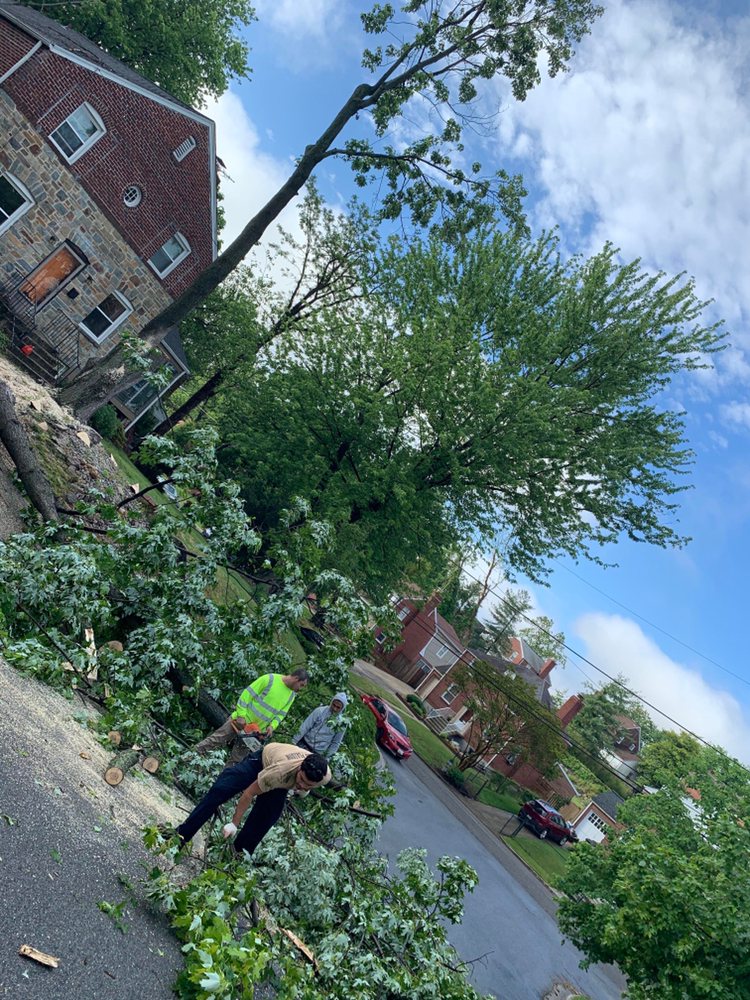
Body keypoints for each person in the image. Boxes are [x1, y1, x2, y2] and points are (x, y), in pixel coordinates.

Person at [175, 743, 330, 856]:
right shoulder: (279, 773)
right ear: (300, 768)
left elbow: (306, 782)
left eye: (308, 785)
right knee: (221, 789)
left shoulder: (325, 776)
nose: (301, 785)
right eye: (301, 779)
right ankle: (180, 837)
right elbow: (248, 794)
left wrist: (302, 787)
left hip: (281, 783)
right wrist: (234, 823)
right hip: (263, 761)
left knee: (264, 821)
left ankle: (234, 859)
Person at [193, 668, 309, 764]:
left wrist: (272, 726)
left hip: (255, 732)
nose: (300, 689)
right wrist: (241, 715)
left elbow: (281, 714)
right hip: (240, 722)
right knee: (215, 739)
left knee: (237, 760)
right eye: (301, 685)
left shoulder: (291, 696)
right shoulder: (270, 679)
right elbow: (246, 695)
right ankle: (189, 756)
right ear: (296, 678)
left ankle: (221, 784)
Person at [293, 692, 348, 757]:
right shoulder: (319, 711)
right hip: (304, 743)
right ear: (331, 703)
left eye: (338, 707)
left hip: (318, 753)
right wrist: (294, 742)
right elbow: (305, 727)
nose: (334, 709)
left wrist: (327, 757)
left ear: (342, 708)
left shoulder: (341, 723)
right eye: (334, 705)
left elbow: (335, 742)